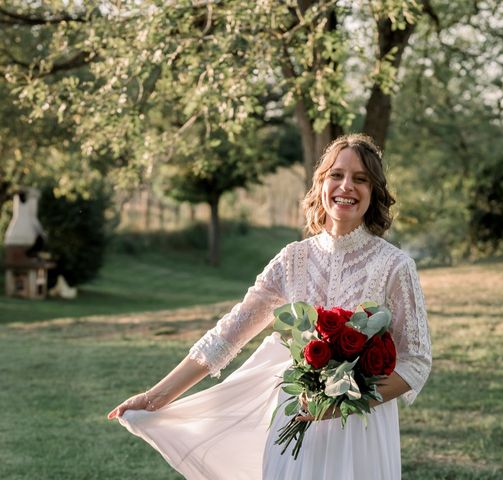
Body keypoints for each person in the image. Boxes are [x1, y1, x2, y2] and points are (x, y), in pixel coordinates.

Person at [107, 133, 432, 480]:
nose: (346, 186)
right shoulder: (293, 259)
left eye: (361, 179)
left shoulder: (395, 266)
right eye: (336, 175)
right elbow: (226, 336)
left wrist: (341, 404)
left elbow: (416, 363)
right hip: (294, 423)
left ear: (374, 191)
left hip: (361, 433)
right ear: (321, 183)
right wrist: (154, 397)